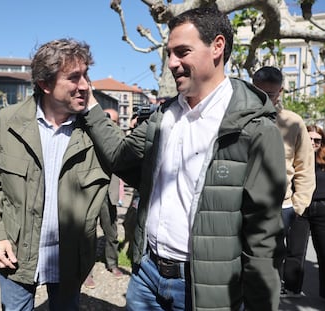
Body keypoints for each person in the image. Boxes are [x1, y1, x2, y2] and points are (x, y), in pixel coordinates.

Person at [84, 7, 287, 311]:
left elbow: (263, 238)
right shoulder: (162, 117)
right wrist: (90, 105)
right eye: (169, 54)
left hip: (203, 290)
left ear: (217, 46)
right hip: (146, 276)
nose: (171, 64)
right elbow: (119, 156)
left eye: (182, 52)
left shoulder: (255, 129)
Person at [0, 38, 110, 311]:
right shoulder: (8, 121)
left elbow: (126, 159)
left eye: (86, 75)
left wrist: (96, 113)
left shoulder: (95, 129)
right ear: (45, 84)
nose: (85, 85)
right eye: (74, 77)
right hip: (15, 251)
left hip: (70, 258)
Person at [253, 66, 315, 298]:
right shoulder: (238, 119)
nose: (264, 100)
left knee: (271, 270)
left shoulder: (293, 123)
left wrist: (297, 206)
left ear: (280, 92)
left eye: (269, 94)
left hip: (281, 209)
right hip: (243, 207)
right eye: (258, 93)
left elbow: (305, 167)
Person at [283, 125, 325, 299]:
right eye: (310, 139)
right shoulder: (296, 157)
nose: (313, 142)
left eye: (317, 140)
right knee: (295, 249)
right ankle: (292, 288)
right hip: (301, 207)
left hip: (322, 208)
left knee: (323, 251)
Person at [84, 108, 123, 289]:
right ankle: (86, 272)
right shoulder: (88, 134)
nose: (108, 123)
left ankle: (112, 263)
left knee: (111, 232)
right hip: (90, 191)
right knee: (87, 233)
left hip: (110, 190)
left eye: (112, 121)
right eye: (105, 119)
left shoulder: (118, 136)